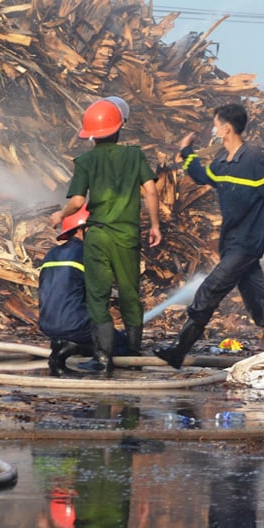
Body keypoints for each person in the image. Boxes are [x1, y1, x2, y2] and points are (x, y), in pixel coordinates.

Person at [154, 102, 264, 369]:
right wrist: (187, 153)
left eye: (216, 125)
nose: (214, 129)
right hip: (231, 246)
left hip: (246, 246)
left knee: (209, 290)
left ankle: (179, 350)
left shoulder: (253, 161)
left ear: (226, 128)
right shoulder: (223, 163)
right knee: (260, 303)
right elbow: (203, 176)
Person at [51, 97, 162, 377]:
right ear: (119, 128)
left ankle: (102, 358)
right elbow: (150, 190)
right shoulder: (135, 155)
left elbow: (77, 202)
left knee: (97, 297)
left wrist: (59, 216)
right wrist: (155, 226)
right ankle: (134, 353)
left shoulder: (86, 161)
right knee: (129, 294)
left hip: (98, 235)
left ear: (90, 135)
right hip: (127, 235)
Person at [38, 205, 129, 377]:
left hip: (48, 326)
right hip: (76, 326)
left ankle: (64, 345)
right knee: (122, 345)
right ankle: (79, 349)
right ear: (82, 230)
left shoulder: (51, 254)